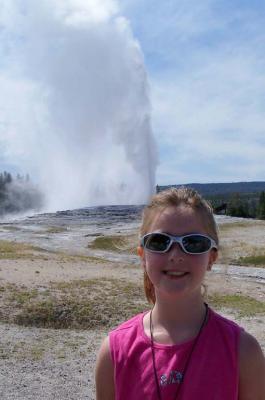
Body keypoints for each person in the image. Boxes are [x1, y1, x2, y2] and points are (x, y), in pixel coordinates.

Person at [95, 187, 265, 399]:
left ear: (211, 258)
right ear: (142, 255)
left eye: (193, 243)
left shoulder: (243, 353)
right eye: (159, 242)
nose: (175, 255)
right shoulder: (114, 352)